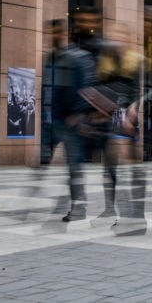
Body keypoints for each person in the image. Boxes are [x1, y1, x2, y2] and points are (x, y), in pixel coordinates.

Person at [70, 7, 145, 235]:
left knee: (127, 167)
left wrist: (132, 108)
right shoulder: (106, 61)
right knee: (109, 167)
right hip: (106, 116)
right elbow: (96, 85)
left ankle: (132, 215)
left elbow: (136, 91)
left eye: (123, 36)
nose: (118, 40)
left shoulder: (135, 62)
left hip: (124, 117)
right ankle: (110, 209)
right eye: (115, 36)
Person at [42, 18, 98, 223]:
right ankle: (65, 203)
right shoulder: (51, 58)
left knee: (74, 166)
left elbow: (88, 86)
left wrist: (79, 114)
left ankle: (78, 208)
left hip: (72, 122)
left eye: (59, 33)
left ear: (66, 34)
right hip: (54, 120)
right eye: (52, 32)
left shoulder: (79, 57)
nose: (55, 36)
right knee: (45, 164)